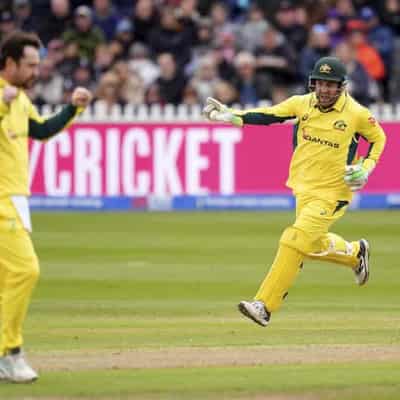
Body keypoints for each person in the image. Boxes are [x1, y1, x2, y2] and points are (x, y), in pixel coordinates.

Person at [203, 56, 386, 327]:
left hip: (334, 192)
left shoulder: (356, 113)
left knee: (293, 239)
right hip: (303, 188)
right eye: (320, 83)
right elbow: (268, 115)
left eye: (330, 85)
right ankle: (355, 253)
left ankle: (264, 305)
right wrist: (232, 116)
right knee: (311, 245)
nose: (324, 90)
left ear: (342, 87)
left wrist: (367, 168)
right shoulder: (302, 104)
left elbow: (378, 138)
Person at [0, 31, 92, 382]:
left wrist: (74, 108)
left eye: (38, 64)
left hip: (14, 200)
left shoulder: (20, 99)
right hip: (2, 201)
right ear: (9, 63)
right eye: (30, 65)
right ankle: (10, 352)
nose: (36, 71)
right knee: (25, 271)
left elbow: (39, 130)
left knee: (8, 281)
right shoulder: (4, 95)